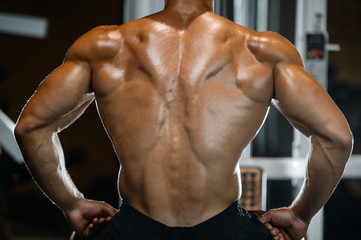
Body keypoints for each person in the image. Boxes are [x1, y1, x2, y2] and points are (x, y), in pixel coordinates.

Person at [14, 0, 353, 239]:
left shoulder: (106, 46)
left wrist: (72, 203)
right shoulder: (261, 51)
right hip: (224, 231)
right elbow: (336, 139)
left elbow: (31, 127)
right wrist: (300, 215)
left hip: (133, 229)